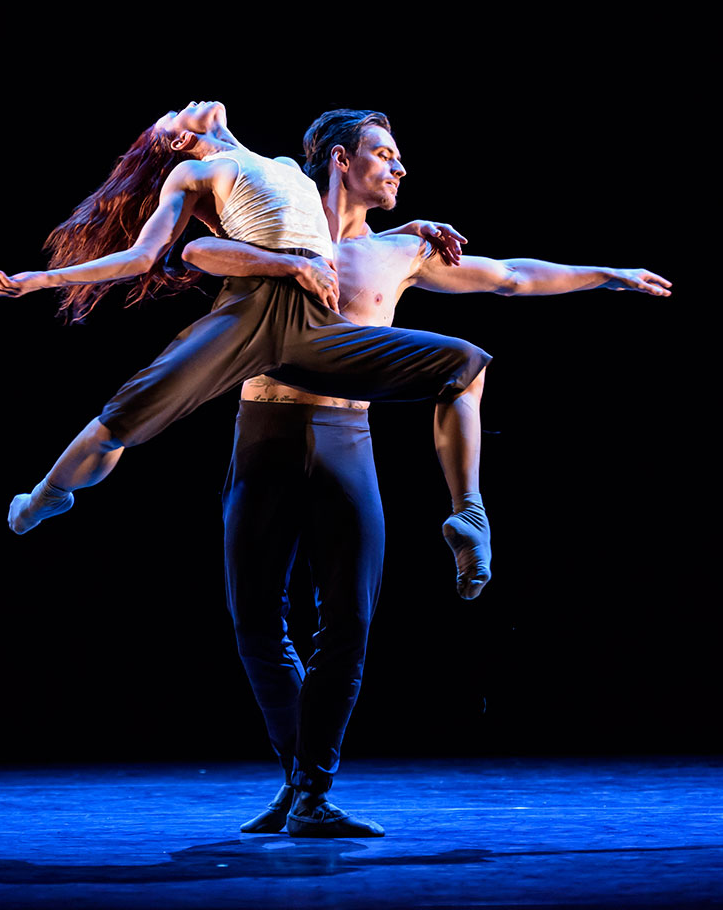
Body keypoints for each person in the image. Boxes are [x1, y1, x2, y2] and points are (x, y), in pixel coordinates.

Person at [180, 108, 672, 837]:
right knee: (256, 622)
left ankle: (311, 791)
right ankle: (301, 785)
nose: (400, 168)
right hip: (265, 432)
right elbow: (200, 231)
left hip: (348, 440)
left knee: (347, 623)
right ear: (339, 159)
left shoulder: (398, 253)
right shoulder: (269, 229)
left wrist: (606, 274)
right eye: (384, 153)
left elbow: (509, 277)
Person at [0, 102, 491, 584]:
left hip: (312, 320)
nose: (189, 102)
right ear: (180, 136)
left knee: (463, 361)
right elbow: (141, 258)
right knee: (120, 420)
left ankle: (468, 513)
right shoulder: (193, 174)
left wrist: (410, 227)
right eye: (176, 112)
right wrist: (40, 281)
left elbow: (329, 229)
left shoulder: (286, 165)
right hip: (249, 310)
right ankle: (47, 495)